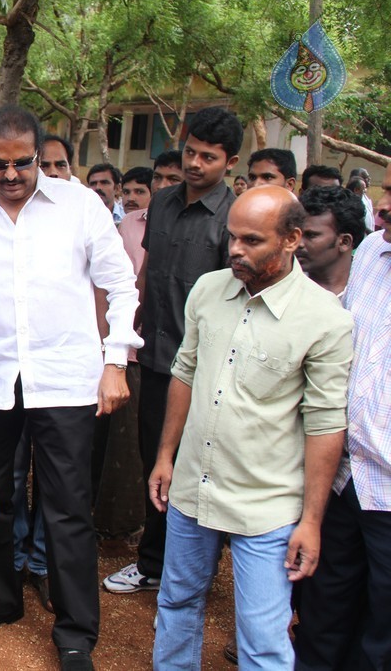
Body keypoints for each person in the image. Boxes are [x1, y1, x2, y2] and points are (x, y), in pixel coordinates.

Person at [0, 105, 141, 670]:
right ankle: (1, 599)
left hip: (65, 380)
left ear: (40, 155)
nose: (10, 176)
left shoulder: (80, 207)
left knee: (65, 507)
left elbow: (121, 285)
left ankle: (76, 630)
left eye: (22, 163)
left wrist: (115, 362)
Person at [149, 186, 353, 668]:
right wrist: (165, 456)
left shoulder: (325, 320)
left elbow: (325, 424)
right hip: (193, 487)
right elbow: (185, 371)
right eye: (232, 237)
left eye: (252, 241)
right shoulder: (209, 289)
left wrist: (311, 520)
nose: (236, 250)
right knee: (176, 604)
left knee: (262, 637)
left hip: (267, 504)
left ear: (292, 239)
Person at [105, 106, 242, 596]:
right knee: (154, 460)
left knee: (198, 467)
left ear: (230, 162)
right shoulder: (161, 205)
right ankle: (153, 564)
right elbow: (148, 270)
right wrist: (134, 315)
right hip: (157, 358)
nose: (195, 163)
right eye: (190, 151)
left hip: (209, 368)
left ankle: (189, 570)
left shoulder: (232, 217)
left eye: (209, 156)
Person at [294, 163, 391, 670]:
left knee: (383, 625)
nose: (386, 205)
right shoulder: (374, 252)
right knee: (326, 602)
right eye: (388, 191)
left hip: (390, 489)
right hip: (346, 475)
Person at [296, 185, 367, 297]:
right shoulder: (283, 287)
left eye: (311, 235)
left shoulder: (367, 292)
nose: (297, 244)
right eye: (296, 234)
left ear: (344, 242)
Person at [348, 166, 374, 230]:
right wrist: (370, 233)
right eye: (366, 178)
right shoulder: (351, 201)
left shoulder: (365, 197)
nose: (369, 179)